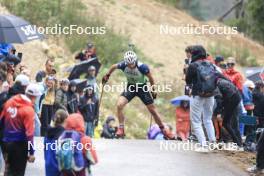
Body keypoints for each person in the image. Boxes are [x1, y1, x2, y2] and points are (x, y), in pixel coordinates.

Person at [102, 50, 174, 139]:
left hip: (142, 88)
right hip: (131, 87)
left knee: (153, 111)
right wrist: (107, 75)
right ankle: (121, 128)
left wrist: (153, 90)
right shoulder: (124, 64)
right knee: (119, 105)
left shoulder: (142, 67)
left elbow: (151, 79)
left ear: (135, 61)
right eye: (129, 64)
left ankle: (164, 131)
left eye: (132, 63)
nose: (130, 66)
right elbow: (113, 66)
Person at [0, 83, 41, 176]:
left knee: (8, 170)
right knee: (18, 173)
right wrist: (31, 153)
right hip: (19, 145)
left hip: (5, 143)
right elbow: (30, 134)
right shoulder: (29, 110)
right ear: (34, 97)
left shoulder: (10, 102)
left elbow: (1, 120)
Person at [185, 45, 216, 150]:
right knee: (208, 119)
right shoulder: (211, 64)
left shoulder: (193, 65)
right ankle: (213, 142)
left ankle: (203, 144)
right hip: (211, 94)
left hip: (198, 95)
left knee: (196, 121)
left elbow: (188, 81)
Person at [215, 78, 243, 147]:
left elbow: (219, 99)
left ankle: (237, 143)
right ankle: (239, 143)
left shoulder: (216, 85)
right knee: (234, 123)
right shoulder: (225, 80)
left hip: (231, 100)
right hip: (237, 98)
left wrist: (219, 112)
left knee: (226, 123)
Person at [44, 109, 68, 176]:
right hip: (58, 168)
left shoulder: (47, 132)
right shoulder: (63, 135)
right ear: (65, 120)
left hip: (48, 165)